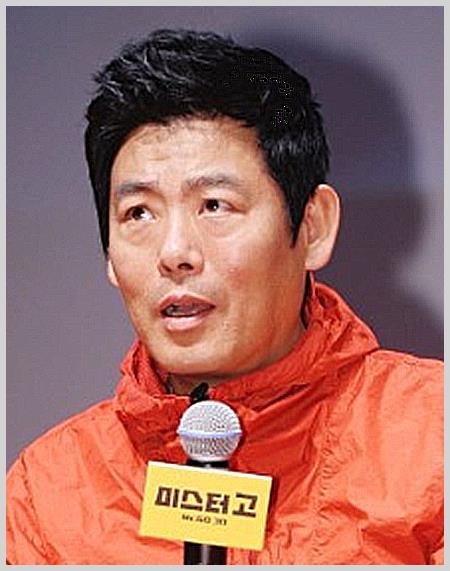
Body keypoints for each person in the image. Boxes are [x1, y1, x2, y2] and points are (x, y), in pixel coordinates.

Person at [6, 29, 443, 565]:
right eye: (138, 213)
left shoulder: (433, 439)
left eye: (214, 205)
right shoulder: (46, 493)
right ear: (110, 257)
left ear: (312, 227)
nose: (174, 252)